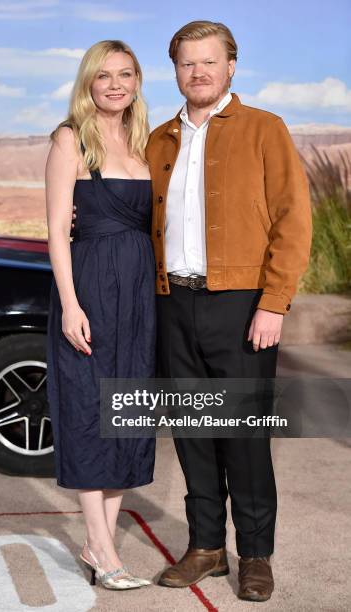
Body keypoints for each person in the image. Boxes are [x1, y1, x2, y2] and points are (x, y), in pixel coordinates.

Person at [145, 21, 312, 602]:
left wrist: (273, 304)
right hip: (174, 304)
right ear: (176, 71)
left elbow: (293, 222)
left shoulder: (265, 129)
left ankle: (256, 554)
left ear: (231, 66)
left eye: (209, 62)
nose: (199, 73)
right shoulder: (160, 139)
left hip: (242, 308)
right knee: (192, 433)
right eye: (188, 63)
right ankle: (207, 546)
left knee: (243, 437)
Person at [45, 39, 156, 590]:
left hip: (139, 296)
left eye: (126, 74)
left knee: (127, 413)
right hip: (89, 290)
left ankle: (98, 545)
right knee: (90, 411)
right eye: (104, 75)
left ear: (137, 81)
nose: (115, 84)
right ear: (88, 82)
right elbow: (56, 233)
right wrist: (70, 304)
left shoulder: (147, 143)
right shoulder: (71, 139)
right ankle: (106, 553)